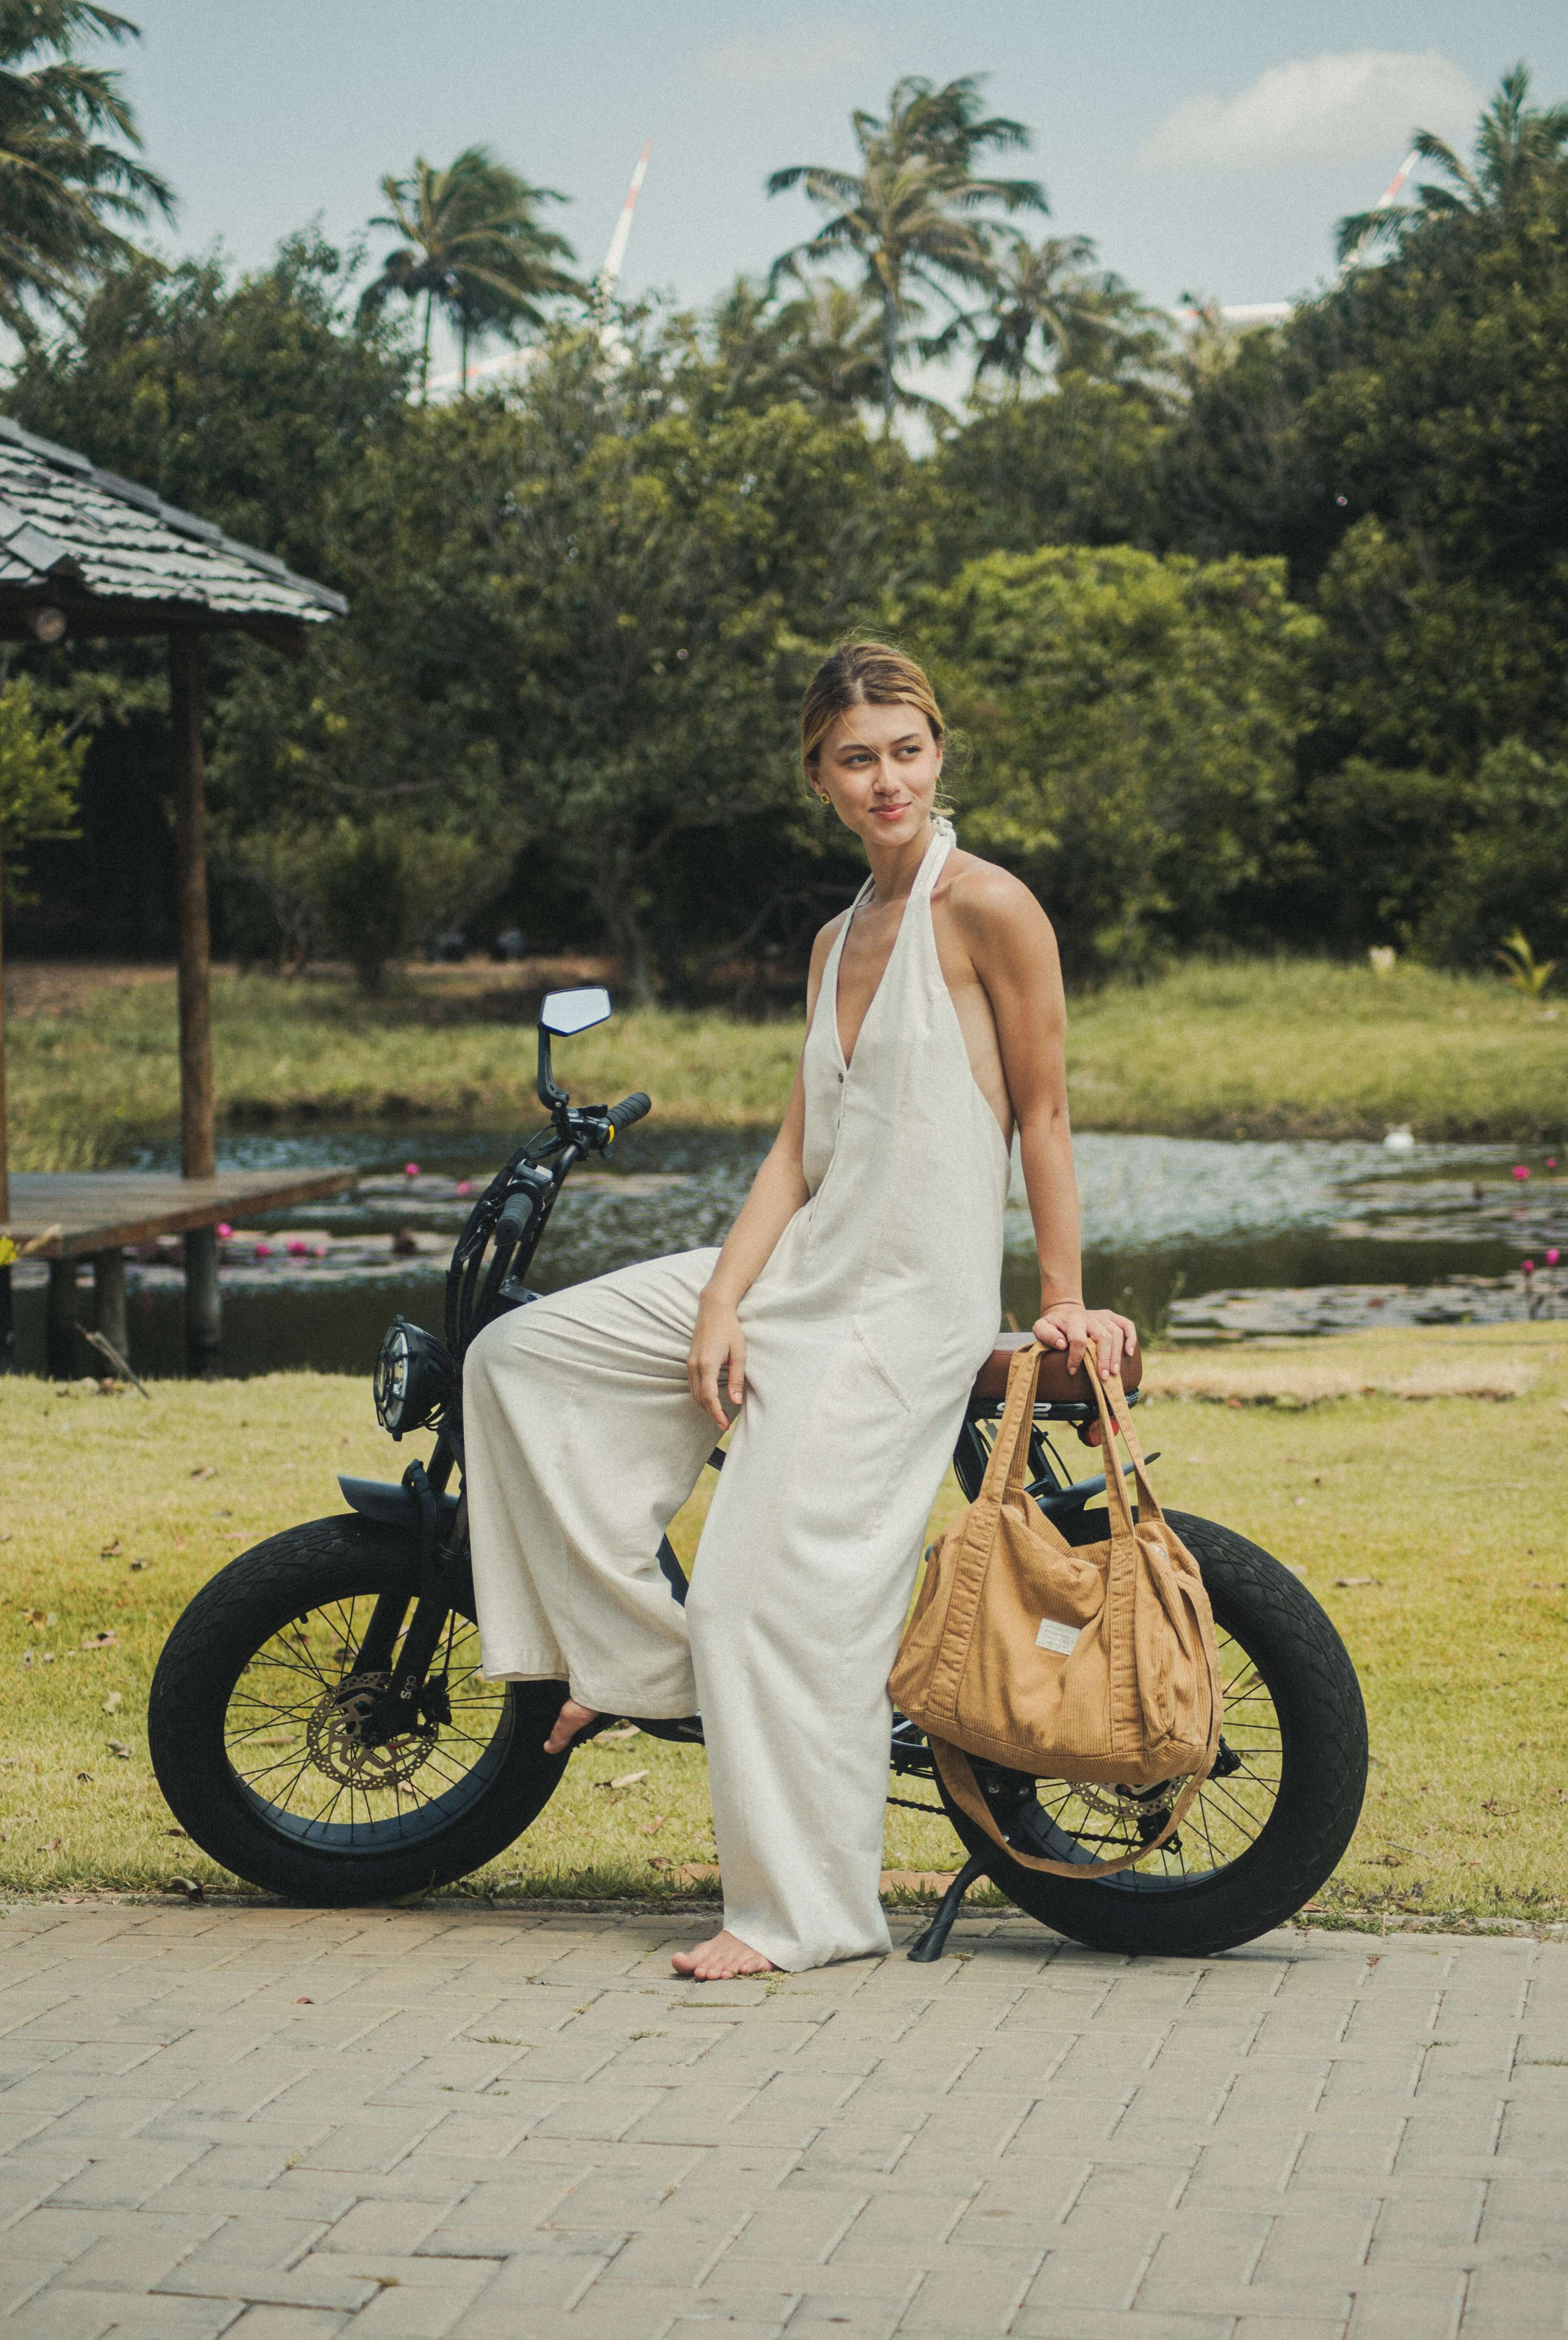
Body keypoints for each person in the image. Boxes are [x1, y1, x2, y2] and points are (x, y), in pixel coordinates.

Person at [463, 641, 1135, 1981]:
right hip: (804, 1269)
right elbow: (793, 1151)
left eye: (907, 751)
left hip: (903, 1308)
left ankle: (805, 1914)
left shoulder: (992, 908)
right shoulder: (836, 939)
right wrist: (721, 1300)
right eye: (856, 758)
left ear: (938, 754)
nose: (887, 779)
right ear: (818, 778)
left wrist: (1061, 1300)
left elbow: (1047, 1114)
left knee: (753, 1599)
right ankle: (640, 1665)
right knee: (517, 1357)